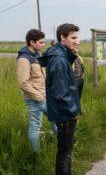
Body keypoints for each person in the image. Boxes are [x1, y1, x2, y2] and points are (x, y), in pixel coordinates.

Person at [38, 23, 81, 175]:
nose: (77, 41)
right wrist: (73, 111)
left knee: (66, 152)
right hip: (65, 115)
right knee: (64, 154)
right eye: (73, 38)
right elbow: (61, 93)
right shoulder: (59, 59)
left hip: (63, 113)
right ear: (62, 38)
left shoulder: (61, 55)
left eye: (78, 37)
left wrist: (72, 54)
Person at [16, 29, 56, 152]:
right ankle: (36, 153)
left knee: (56, 118)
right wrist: (39, 96)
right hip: (35, 98)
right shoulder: (24, 59)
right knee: (35, 126)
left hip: (44, 96)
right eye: (41, 42)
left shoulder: (37, 56)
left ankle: (63, 143)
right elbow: (23, 83)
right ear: (32, 42)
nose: (44, 44)